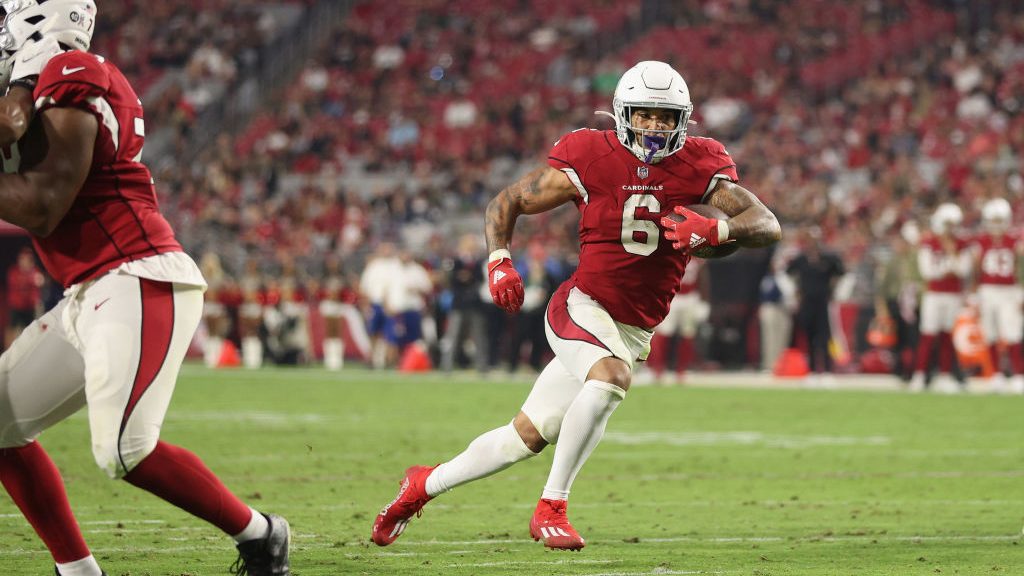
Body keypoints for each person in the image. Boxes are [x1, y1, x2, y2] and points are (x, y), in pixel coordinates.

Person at [371, 60, 781, 550]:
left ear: (683, 120)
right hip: (582, 305)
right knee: (610, 377)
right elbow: (506, 202)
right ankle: (552, 506)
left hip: (633, 328)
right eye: (644, 115)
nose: (654, 126)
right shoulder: (591, 154)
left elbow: (765, 224)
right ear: (623, 113)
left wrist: (719, 229)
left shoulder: (700, 163)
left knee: (525, 436)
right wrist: (499, 260)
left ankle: (421, 486)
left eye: (665, 117)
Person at [0, 3, 289, 575]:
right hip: (89, 291)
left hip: (135, 276)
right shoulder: (45, 82)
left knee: (124, 452)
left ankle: (262, 534)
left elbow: (42, 205)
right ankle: (79, 572)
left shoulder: (73, 70)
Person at [910, 203, 972, 392]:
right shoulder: (929, 243)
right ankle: (919, 375)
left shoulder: (960, 244)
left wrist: (952, 255)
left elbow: (963, 270)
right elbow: (927, 272)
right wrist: (948, 268)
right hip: (934, 294)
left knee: (947, 335)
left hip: (952, 295)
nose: (950, 229)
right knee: (928, 335)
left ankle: (945, 376)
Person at [971, 198, 1024, 393]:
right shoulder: (981, 241)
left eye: (998, 220)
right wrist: (975, 293)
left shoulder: (1016, 241)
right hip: (987, 290)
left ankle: (1018, 375)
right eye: (992, 220)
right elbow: (976, 270)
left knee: (1013, 334)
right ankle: (995, 375)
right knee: (991, 334)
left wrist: (1021, 292)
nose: (996, 225)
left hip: (1009, 290)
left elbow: (1020, 268)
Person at [786, 227, 845, 384]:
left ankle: (826, 371)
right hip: (807, 301)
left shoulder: (829, 258)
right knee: (810, 336)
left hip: (823, 301)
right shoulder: (801, 259)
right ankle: (812, 371)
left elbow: (841, 273)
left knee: (825, 336)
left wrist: (834, 290)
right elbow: (788, 273)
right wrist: (797, 291)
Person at [4, 246, 44, 350]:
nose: (26, 261)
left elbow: (40, 282)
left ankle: (30, 350)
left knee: (31, 330)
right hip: (16, 306)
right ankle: (7, 351)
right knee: (12, 329)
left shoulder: (34, 271)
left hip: (29, 307)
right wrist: (29, 279)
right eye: (24, 259)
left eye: (29, 259)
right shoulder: (14, 271)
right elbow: (16, 283)